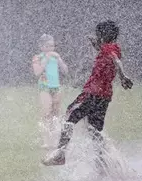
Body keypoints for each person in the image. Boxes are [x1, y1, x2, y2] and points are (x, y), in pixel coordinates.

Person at [41, 20, 133, 167]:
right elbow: (110, 54)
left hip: (92, 93)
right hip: (104, 97)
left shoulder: (109, 50)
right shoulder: (112, 48)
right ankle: (103, 163)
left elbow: (116, 61)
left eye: (98, 35)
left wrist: (123, 76)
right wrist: (96, 45)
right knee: (94, 130)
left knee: (70, 115)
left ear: (102, 36)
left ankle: (60, 154)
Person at [32, 34, 69, 149]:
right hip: (44, 87)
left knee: (56, 114)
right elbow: (37, 72)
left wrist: (59, 60)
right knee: (47, 112)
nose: (50, 49)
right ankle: (46, 140)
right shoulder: (37, 58)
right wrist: (46, 59)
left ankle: (55, 138)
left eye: (52, 46)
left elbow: (65, 71)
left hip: (56, 87)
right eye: (47, 46)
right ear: (41, 46)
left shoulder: (55, 57)